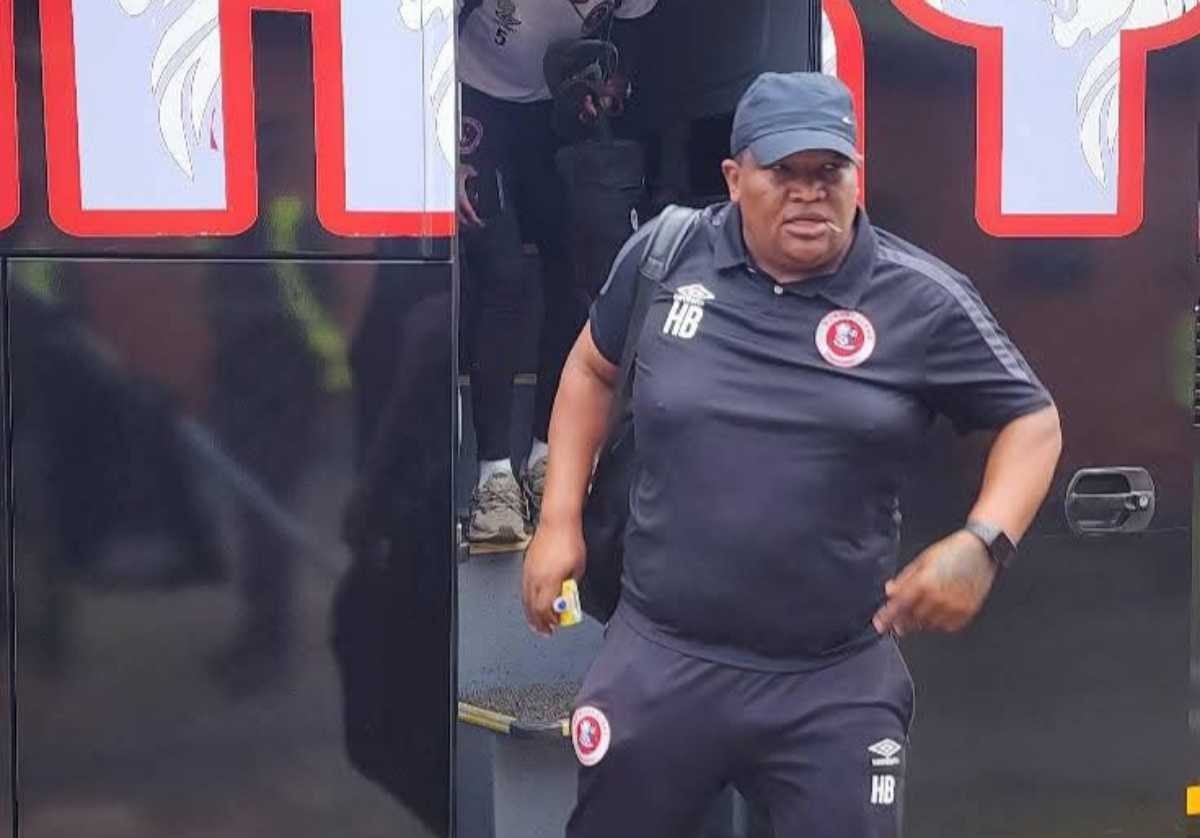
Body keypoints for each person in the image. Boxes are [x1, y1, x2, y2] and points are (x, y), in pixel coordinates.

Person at [522, 72, 1063, 836]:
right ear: (736, 179)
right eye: (785, 173)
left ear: (855, 177)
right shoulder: (665, 257)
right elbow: (590, 369)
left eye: (829, 172)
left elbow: (1033, 421)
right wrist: (557, 521)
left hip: (834, 680)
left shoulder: (921, 299)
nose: (809, 193)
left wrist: (983, 543)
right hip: (662, 660)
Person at [457, 0, 657, 548]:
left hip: (551, 112)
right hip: (472, 99)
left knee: (576, 272)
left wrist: (613, 84)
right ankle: (494, 478)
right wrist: (440, 144)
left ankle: (547, 458)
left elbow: (632, 36)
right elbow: (423, 26)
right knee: (503, 276)